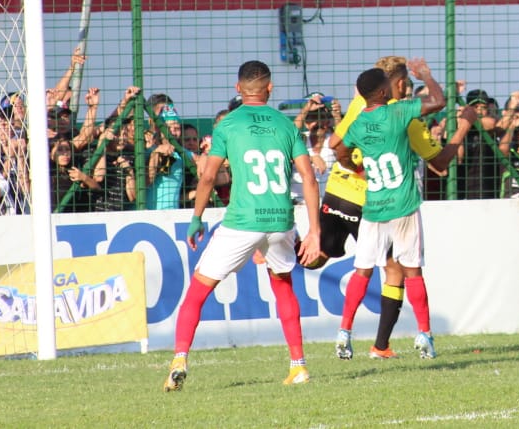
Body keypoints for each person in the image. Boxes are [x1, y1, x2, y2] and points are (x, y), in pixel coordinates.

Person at [164, 60, 321, 391]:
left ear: (238, 89)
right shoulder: (286, 124)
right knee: (283, 286)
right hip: (280, 219)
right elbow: (309, 177)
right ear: (270, 88)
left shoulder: (228, 125)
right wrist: (314, 231)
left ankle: (179, 360)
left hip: (242, 220)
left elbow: (209, 176)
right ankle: (298, 365)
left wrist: (196, 218)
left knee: (198, 291)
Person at [332, 59, 455, 361]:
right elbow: (438, 101)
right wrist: (425, 75)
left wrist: (355, 167)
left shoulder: (359, 122)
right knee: (412, 270)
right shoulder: (398, 112)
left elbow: (340, 149)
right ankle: (424, 334)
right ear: (384, 91)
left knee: (362, 271)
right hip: (403, 205)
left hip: (374, 208)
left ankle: (344, 331)